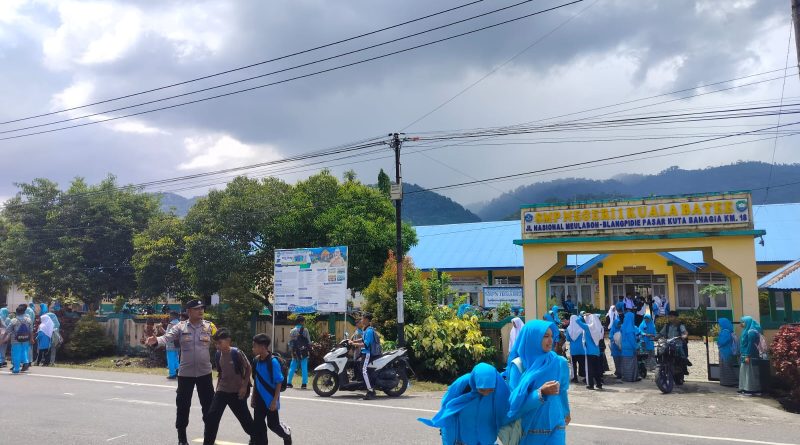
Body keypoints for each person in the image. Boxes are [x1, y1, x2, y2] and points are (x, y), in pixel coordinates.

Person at [146, 299, 217, 445]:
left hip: (205, 373)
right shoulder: (180, 327)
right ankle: (182, 439)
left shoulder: (210, 326)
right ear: (189, 312)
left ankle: (208, 440)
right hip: (185, 374)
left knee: (208, 408)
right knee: (183, 406)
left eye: (202, 308)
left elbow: (221, 339)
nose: (201, 311)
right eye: (197, 309)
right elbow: (167, 337)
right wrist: (156, 340)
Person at [506, 320, 571, 445]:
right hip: (530, 428)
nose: (550, 340)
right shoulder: (519, 365)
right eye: (545, 336)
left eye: (552, 336)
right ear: (532, 338)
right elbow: (514, 403)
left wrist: (566, 412)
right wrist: (540, 393)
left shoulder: (559, 362)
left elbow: (562, 391)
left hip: (556, 425)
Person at [418, 363, 511, 445]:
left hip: (486, 435)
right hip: (463, 435)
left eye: (490, 390)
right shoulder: (463, 383)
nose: (486, 393)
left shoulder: (498, 385)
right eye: (482, 389)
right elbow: (446, 405)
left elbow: (506, 406)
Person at [203, 329, 254, 445]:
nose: (217, 345)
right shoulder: (217, 354)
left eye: (219, 343)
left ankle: (255, 437)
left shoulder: (237, 353)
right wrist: (217, 389)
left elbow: (248, 368)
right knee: (211, 418)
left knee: (245, 421)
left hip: (237, 392)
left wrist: (244, 386)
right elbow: (220, 373)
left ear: (228, 341)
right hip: (222, 391)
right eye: (216, 343)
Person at [251, 333, 293, 445]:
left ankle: (286, 434)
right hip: (259, 399)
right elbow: (256, 379)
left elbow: (279, 381)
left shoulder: (273, 362)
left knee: (273, 425)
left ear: (263, 347)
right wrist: (253, 397)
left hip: (270, 400)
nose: (253, 348)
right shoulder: (256, 360)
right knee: (259, 425)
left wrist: (275, 401)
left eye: (255, 346)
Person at [349, 313, 380, 400]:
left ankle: (370, 391)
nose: (361, 320)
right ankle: (368, 387)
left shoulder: (369, 331)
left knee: (364, 371)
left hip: (367, 354)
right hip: (364, 353)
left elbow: (365, 344)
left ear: (366, 320)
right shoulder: (366, 330)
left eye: (362, 319)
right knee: (360, 368)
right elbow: (362, 339)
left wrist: (354, 343)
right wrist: (351, 341)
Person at [659, 311, 690, 384]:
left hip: (678, 344)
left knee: (681, 356)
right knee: (661, 352)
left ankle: (684, 364)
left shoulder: (680, 325)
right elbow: (661, 333)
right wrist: (655, 337)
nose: (670, 318)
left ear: (676, 317)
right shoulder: (667, 326)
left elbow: (685, 332)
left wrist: (684, 336)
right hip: (668, 344)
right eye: (669, 317)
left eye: (671, 316)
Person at [738, 316, 763, 396]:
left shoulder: (751, 332)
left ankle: (751, 390)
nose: (741, 324)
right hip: (745, 354)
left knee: (750, 373)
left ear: (747, 322)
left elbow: (750, 345)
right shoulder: (747, 331)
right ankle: (745, 388)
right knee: (746, 372)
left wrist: (748, 355)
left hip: (750, 355)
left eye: (743, 322)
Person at [579, 313, 604, 390]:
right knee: (597, 369)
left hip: (589, 352)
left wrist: (582, 316)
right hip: (596, 351)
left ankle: (591, 385)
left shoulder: (587, 327)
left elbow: (577, 321)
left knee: (590, 369)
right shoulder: (597, 328)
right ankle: (599, 384)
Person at [286, 316, 311, 389]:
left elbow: (290, 342)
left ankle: (289, 383)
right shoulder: (305, 330)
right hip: (303, 350)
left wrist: (292, 350)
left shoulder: (292, 330)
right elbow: (308, 341)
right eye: (303, 321)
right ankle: (304, 384)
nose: (304, 323)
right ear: (301, 322)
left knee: (292, 367)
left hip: (295, 351)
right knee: (304, 367)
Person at [7, 304, 33, 374]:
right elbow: (31, 330)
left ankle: (16, 368)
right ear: (24, 312)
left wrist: (7, 337)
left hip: (16, 340)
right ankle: (26, 362)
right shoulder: (28, 320)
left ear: (17, 312)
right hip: (26, 339)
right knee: (24, 351)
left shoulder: (14, 320)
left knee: (16, 353)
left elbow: (8, 330)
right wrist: (31, 339)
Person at [717, 318, 739, 387]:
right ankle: (726, 382)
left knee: (726, 367)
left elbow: (722, 342)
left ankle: (730, 382)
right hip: (727, 351)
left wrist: (718, 342)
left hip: (725, 352)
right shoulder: (729, 331)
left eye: (720, 324)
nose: (719, 325)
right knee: (726, 366)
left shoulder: (725, 331)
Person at [620, 310, 640, 382]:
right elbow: (632, 341)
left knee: (625, 364)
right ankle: (631, 378)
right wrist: (636, 347)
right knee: (631, 365)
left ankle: (626, 377)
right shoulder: (630, 329)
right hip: (630, 349)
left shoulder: (623, 327)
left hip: (624, 348)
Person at [565, 315, 585, 384]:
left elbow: (567, 339)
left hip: (573, 350)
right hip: (582, 349)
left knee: (573, 365)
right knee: (582, 364)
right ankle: (584, 377)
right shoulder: (582, 328)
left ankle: (575, 378)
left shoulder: (569, 329)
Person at [608, 302, 624, 381]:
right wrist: (614, 340)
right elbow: (610, 337)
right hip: (615, 348)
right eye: (618, 324)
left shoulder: (621, 329)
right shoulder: (613, 330)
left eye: (619, 324)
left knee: (621, 361)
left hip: (620, 348)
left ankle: (620, 373)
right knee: (616, 361)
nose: (619, 325)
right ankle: (618, 372)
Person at [165, 311, 181, 379]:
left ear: (173, 316)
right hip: (177, 343)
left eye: (170, 316)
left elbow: (167, 335)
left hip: (170, 344)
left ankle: (172, 374)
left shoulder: (171, 324)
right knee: (176, 358)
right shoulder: (180, 323)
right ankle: (179, 372)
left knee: (170, 359)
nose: (169, 317)